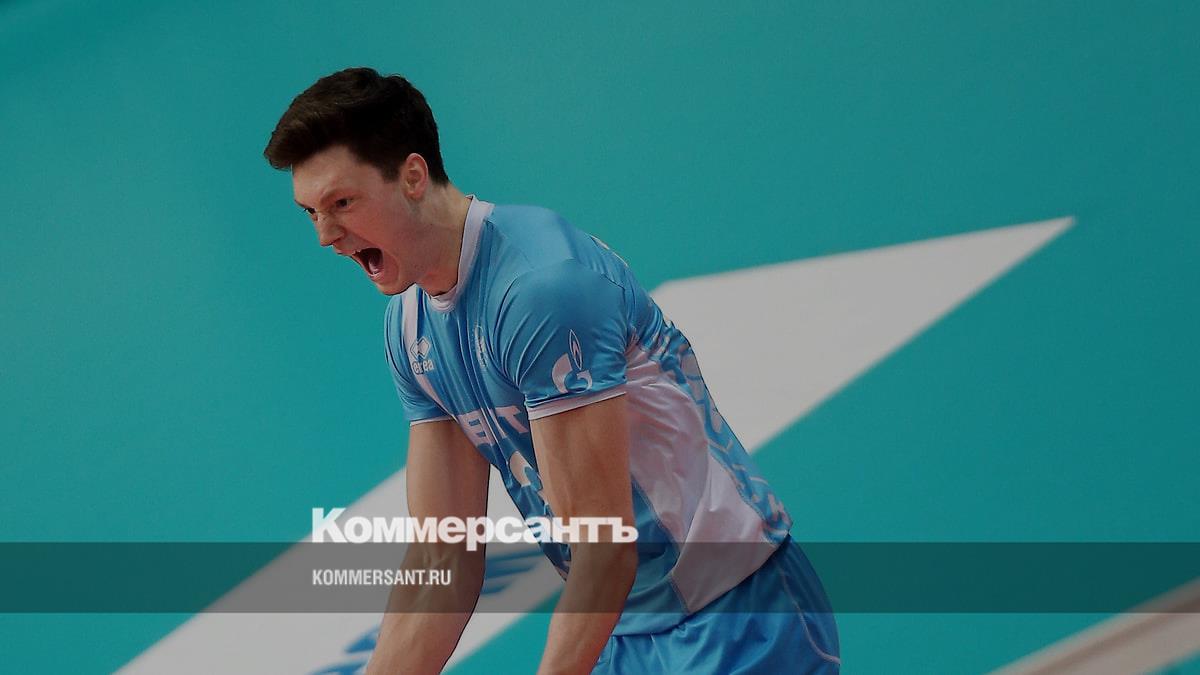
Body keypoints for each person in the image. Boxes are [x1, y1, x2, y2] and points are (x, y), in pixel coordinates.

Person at [264, 66, 840, 674]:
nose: (326, 236)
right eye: (311, 213)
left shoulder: (539, 287)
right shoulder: (410, 326)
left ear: (412, 176)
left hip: (736, 615)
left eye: (342, 204)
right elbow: (444, 557)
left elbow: (604, 551)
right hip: (624, 629)